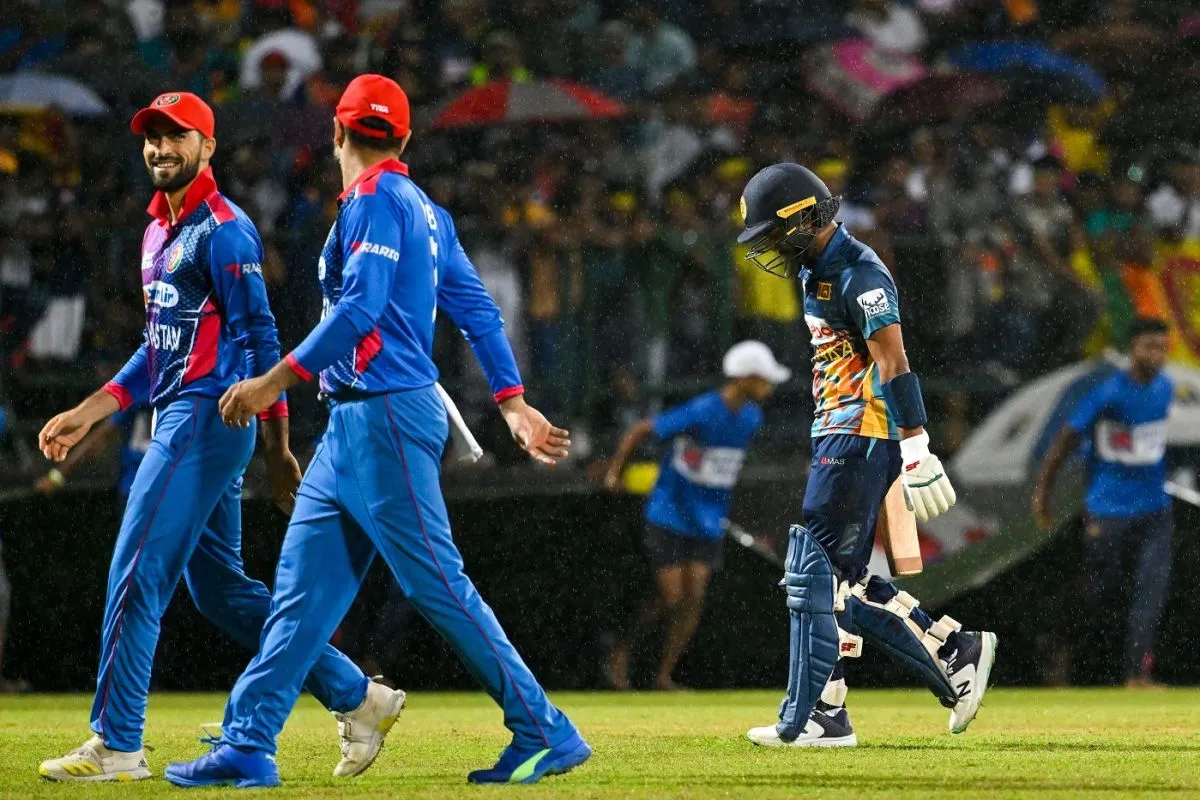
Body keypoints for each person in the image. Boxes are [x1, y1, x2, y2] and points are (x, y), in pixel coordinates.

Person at [164, 75, 591, 789]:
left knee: (438, 585)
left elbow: (360, 311)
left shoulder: (374, 202)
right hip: (358, 421)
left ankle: (546, 728)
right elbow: (477, 309)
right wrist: (512, 401)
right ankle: (248, 742)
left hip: (386, 415)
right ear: (405, 138)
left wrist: (274, 382)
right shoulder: (425, 209)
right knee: (300, 596)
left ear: (336, 132)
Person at [36, 92, 403, 783]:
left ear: (208, 147)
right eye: (151, 138)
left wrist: (279, 450)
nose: (160, 149)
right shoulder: (156, 233)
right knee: (221, 593)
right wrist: (94, 409)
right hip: (182, 416)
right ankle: (359, 696)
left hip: (207, 419)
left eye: (177, 137)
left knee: (136, 573)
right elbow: (158, 349)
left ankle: (116, 745)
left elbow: (261, 340)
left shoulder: (225, 231)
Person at [735, 163, 998, 747]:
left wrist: (916, 442)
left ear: (806, 217)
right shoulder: (816, 270)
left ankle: (940, 658)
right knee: (835, 581)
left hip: (864, 432)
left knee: (819, 578)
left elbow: (895, 363)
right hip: (838, 430)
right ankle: (842, 704)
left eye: (775, 232)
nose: (773, 248)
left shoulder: (859, 273)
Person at [602, 341, 789, 691]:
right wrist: (615, 473)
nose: (770, 387)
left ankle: (663, 675)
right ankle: (622, 651)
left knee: (693, 598)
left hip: (707, 522)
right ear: (746, 378)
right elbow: (642, 430)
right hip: (670, 514)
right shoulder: (703, 410)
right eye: (764, 379)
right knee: (672, 597)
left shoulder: (751, 418)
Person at [1032, 316, 1174, 687]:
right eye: (1149, 346)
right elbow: (1065, 439)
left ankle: (1136, 674)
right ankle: (1059, 653)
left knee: (1151, 591)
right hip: (1108, 509)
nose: (1157, 355)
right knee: (1095, 595)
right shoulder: (1108, 393)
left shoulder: (1166, 388)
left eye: (1162, 347)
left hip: (1155, 509)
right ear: (1132, 349)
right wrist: (1043, 492)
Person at [33, 402, 152, 509]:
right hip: (152, 490)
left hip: (137, 489)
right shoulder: (147, 391)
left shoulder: (142, 389)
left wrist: (57, 476)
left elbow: (102, 436)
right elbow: (102, 436)